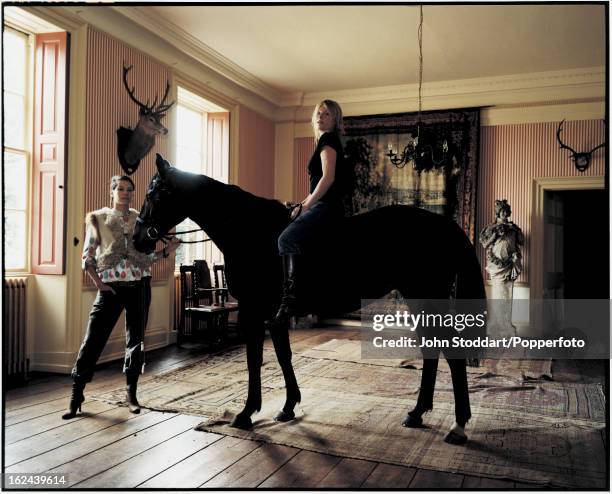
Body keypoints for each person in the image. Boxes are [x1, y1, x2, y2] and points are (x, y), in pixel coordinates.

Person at [62, 175, 180, 419]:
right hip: (111, 288)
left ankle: (131, 394)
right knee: (93, 339)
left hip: (139, 286)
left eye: (129, 190)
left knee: (136, 340)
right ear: (112, 191)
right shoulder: (99, 219)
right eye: (121, 189)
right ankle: (76, 394)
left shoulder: (141, 219)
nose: (125, 193)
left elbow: (146, 257)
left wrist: (166, 252)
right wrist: (100, 284)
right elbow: (88, 255)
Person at [267, 100, 348, 328]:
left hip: (327, 207)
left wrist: (306, 206)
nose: (321, 117)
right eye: (319, 113)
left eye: (327, 115)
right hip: (321, 205)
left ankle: (291, 299)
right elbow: (316, 188)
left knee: (286, 238)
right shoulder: (324, 141)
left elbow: (328, 178)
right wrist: (300, 204)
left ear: (335, 120)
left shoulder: (328, 140)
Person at [479, 199, 524, 282]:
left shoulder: (514, 228)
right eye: (503, 211)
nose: (505, 213)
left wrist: (517, 231)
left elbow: (521, 242)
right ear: (498, 213)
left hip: (511, 262)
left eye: (506, 211)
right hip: (497, 263)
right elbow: (485, 244)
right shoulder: (491, 228)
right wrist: (494, 235)